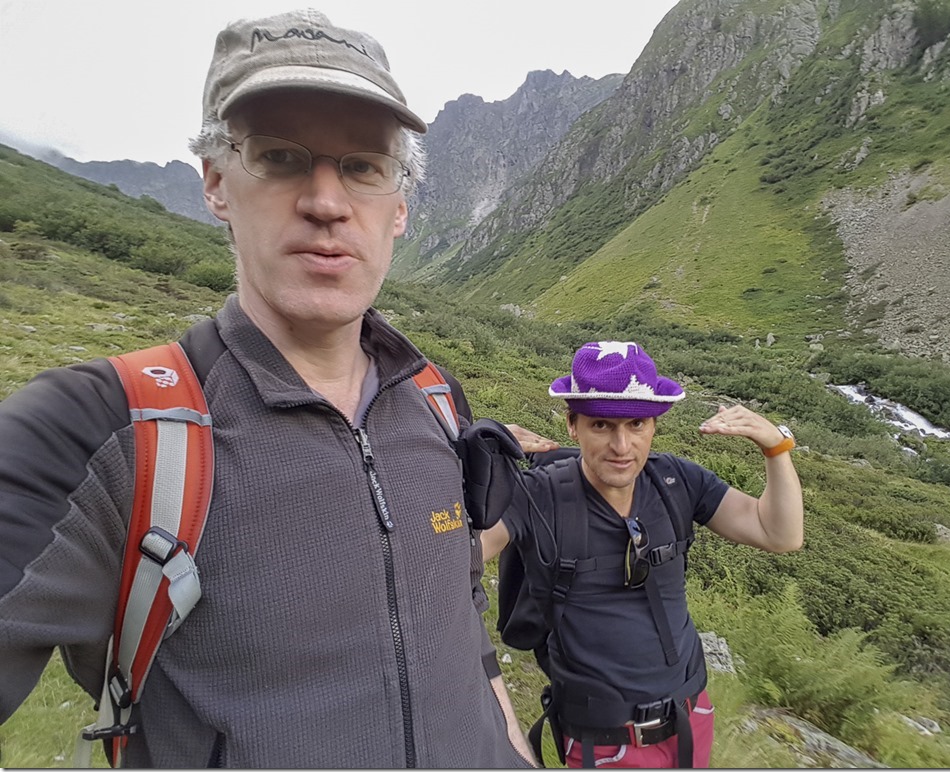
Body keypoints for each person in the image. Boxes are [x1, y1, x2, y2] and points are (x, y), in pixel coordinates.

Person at [0, 9, 540, 768]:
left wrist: (516, 752)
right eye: (281, 157)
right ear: (216, 182)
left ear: (399, 208)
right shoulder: (97, 427)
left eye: (364, 166)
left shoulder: (436, 398)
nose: (327, 201)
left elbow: (460, 616)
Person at [483, 341, 804, 769]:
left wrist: (776, 448)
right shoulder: (536, 496)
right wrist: (466, 465)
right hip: (605, 741)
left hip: (691, 720)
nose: (622, 445)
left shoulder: (676, 482)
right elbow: (450, 555)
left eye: (636, 424)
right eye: (601, 425)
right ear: (573, 425)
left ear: (654, 425)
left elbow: (780, 534)